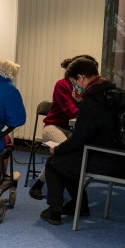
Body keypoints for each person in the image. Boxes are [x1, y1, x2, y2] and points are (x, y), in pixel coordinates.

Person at [40, 57, 125, 225]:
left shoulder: (92, 101)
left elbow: (78, 139)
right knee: (68, 161)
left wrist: (57, 149)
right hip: (120, 158)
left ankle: (54, 211)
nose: (75, 86)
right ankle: (80, 206)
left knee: (54, 162)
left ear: (81, 77)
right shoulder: (111, 93)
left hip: (103, 160)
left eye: (74, 82)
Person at [28, 55, 94, 199]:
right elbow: (70, 111)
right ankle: (42, 187)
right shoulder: (62, 85)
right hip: (53, 126)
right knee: (65, 152)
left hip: (70, 129)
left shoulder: (85, 87)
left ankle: (42, 185)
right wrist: (87, 108)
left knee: (70, 153)